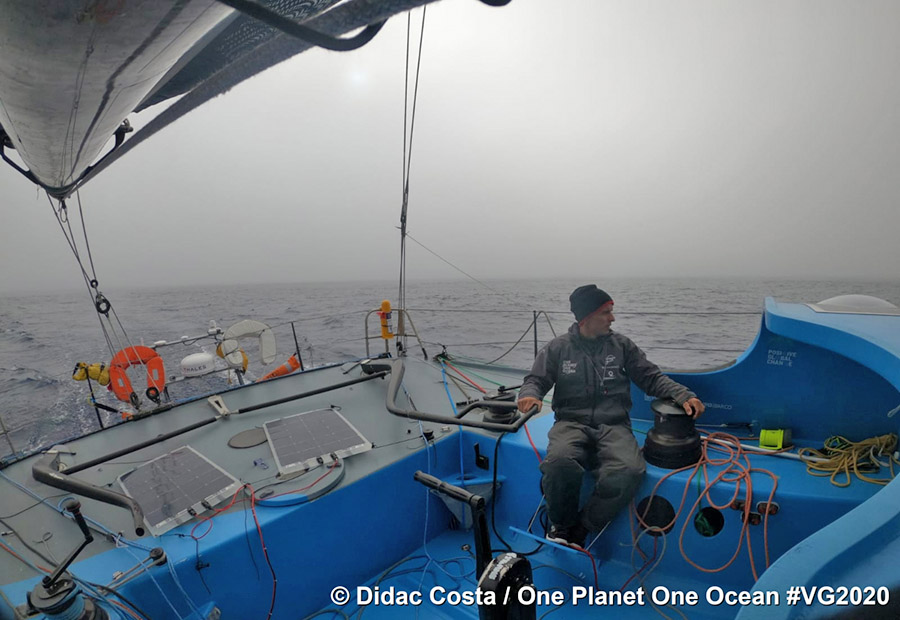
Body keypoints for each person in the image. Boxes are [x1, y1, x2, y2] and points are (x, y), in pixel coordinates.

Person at [516, 284, 705, 548]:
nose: (612, 318)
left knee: (630, 470)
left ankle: (584, 527)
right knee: (559, 462)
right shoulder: (558, 348)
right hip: (571, 422)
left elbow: (651, 378)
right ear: (586, 317)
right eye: (606, 312)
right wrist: (530, 394)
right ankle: (561, 526)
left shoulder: (622, 346)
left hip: (614, 424)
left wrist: (683, 395)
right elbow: (536, 380)